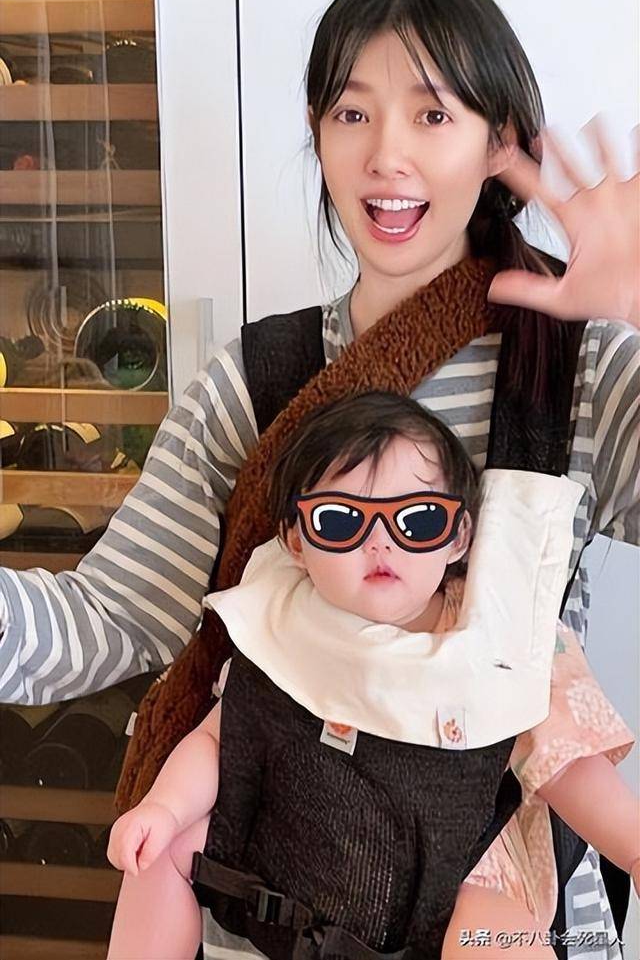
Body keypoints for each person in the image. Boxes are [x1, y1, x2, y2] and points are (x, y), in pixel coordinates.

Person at [0, 0, 637, 958]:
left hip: (499, 910)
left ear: (498, 141)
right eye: (352, 113)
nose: (387, 155)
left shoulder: (579, 364)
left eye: (432, 115)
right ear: (316, 131)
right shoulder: (256, 379)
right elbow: (112, 613)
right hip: (277, 916)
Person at [105, 392, 638, 960]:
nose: (380, 542)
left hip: (453, 880)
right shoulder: (283, 623)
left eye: (418, 520)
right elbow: (219, 738)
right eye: (340, 521)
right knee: (158, 851)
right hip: (294, 858)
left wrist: (632, 849)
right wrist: (162, 809)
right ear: (295, 542)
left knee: (499, 935)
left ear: (459, 537)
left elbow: (564, 762)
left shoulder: (499, 637)